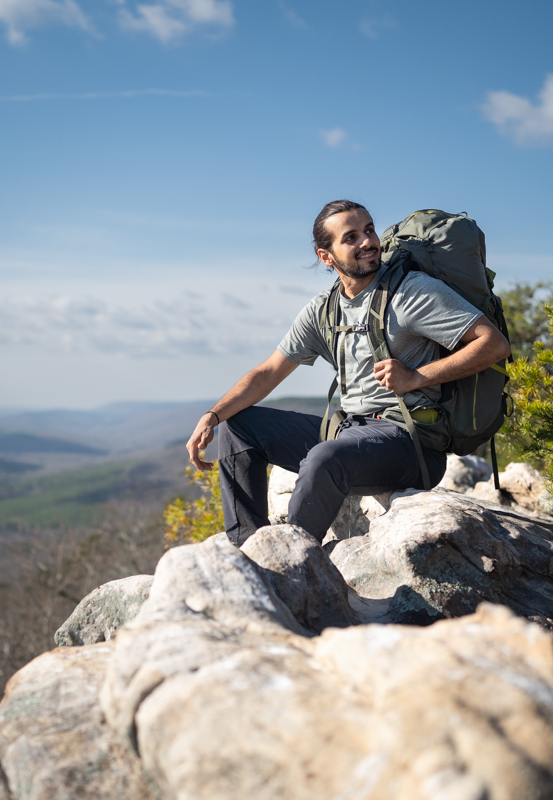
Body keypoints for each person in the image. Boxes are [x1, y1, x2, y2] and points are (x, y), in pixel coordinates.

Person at [184, 199, 510, 546]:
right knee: (239, 427)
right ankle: (250, 550)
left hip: (409, 441)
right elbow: (268, 372)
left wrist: (417, 378)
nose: (368, 242)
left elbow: (493, 344)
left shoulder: (411, 292)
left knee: (325, 458)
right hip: (349, 433)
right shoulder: (324, 310)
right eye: (351, 237)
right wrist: (212, 416)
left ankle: (294, 564)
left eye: (369, 230)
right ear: (326, 256)